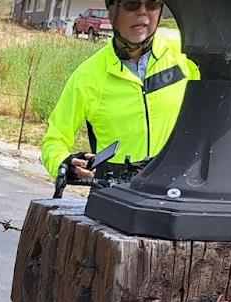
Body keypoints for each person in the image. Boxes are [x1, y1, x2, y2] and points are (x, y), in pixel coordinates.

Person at [41, 0, 199, 184]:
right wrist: (64, 165)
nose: (142, 12)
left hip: (175, 187)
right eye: (132, 4)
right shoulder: (88, 76)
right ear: (112, 12)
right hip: (114, 195)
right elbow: (54, 139)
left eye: (153, 4)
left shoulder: (185, 47)